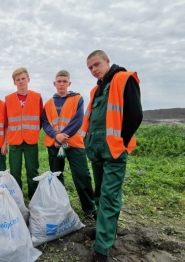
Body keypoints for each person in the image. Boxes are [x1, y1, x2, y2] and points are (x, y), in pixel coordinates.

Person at [81, 50, 143, 262]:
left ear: (107, 61)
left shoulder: (124, 79)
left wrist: (121, 143)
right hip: (96, 150)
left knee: (108, 196)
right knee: (100, 193)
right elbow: (91, 119)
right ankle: (104, 230)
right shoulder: (95, 90)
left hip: (114, 151)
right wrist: (88, 141)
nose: (93, 70)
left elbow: (135, 115)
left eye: (96, 64)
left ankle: (102, 248)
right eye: (90, 68)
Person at [42, 70, 97, 217]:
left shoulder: (77, 99)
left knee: (82, 175)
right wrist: (56, 137)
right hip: (54, 144)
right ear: (54, 84)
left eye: (64, 81)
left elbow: (78, 120)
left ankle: (89, 208)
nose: (61, 84)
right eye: (59, 81)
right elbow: (45, 123)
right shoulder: (48, 103)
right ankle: (59, 205)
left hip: (74, 143)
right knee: (56, 175)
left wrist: (62, 138)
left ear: (69, 83)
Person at [5, 67, 43, 199]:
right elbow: (6, 121)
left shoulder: (37, 97)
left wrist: (33, 133)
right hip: (14, 141)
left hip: (31, 141)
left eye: (23, 78)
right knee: (15, 172)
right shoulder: (8, 99)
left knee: (32, 171)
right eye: (18, 79)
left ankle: (33, 199)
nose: (21, 81)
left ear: (28, 79)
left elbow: (41, 118)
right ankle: (18, 199)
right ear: (14, 82)